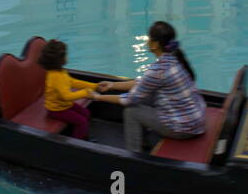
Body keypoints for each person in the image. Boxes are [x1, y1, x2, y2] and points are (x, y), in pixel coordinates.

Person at [90, 21, 206, 153]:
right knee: (147, 96)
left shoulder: (159, 70)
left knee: (131, 111)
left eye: (149, 38)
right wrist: (112, 85)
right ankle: (143, 140)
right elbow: (143, 83)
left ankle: (133, 155)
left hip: (184, 128)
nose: (147, 41)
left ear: (155, 44)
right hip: (196, 120)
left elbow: (129, 99)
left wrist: (98, 97)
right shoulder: (174, 58)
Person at [39, 40, 96, 140]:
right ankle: (79, 142)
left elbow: (73, 82)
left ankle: (82, 134)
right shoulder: (56, 77)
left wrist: (95, 86)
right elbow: (66, 97)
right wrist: (85, 93)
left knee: (86, 113)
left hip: (64, 105)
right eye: (66, 54)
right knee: (81, 121)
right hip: (56, 110)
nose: (67, 56)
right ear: (60, 59)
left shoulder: (61, 71)